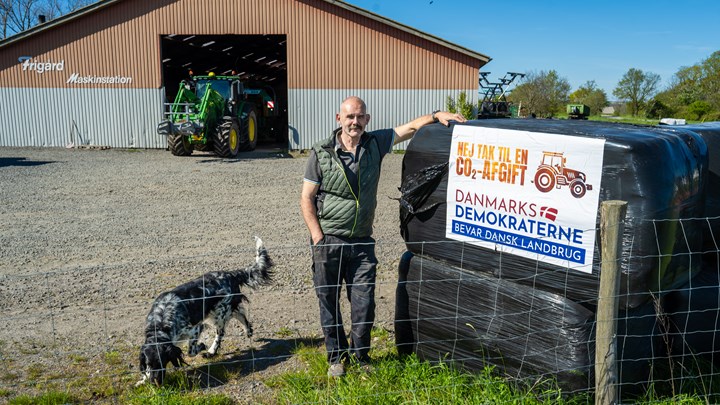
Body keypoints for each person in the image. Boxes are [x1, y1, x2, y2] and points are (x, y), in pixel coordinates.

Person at [300, 96, 466, 377]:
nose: (355, 122)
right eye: (350, 116)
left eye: (360, 117)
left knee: (364, 302)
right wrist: (318, 237)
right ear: (339, 119)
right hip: (329, 241)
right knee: (328, 302)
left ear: (367, 119)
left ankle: (362, 357)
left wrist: (436, 114)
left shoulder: (375, 143)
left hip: (363, 242)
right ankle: (336, 359)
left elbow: (409, 128)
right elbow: (307, 197)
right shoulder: (321, 152)